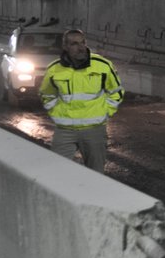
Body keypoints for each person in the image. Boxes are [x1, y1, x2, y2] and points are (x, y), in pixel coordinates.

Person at [38, 28, 122, 173]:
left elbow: (116, 92)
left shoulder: (102, 66)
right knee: (55, 172)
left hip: (94, 130)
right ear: (65, 47)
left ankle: (93, 196)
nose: (81, 47)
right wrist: (56, 112)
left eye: (83, 42)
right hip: (65, 130)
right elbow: (47, 94)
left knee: (95, 174)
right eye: (75, 44)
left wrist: (105, 112)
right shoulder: (54, 69)